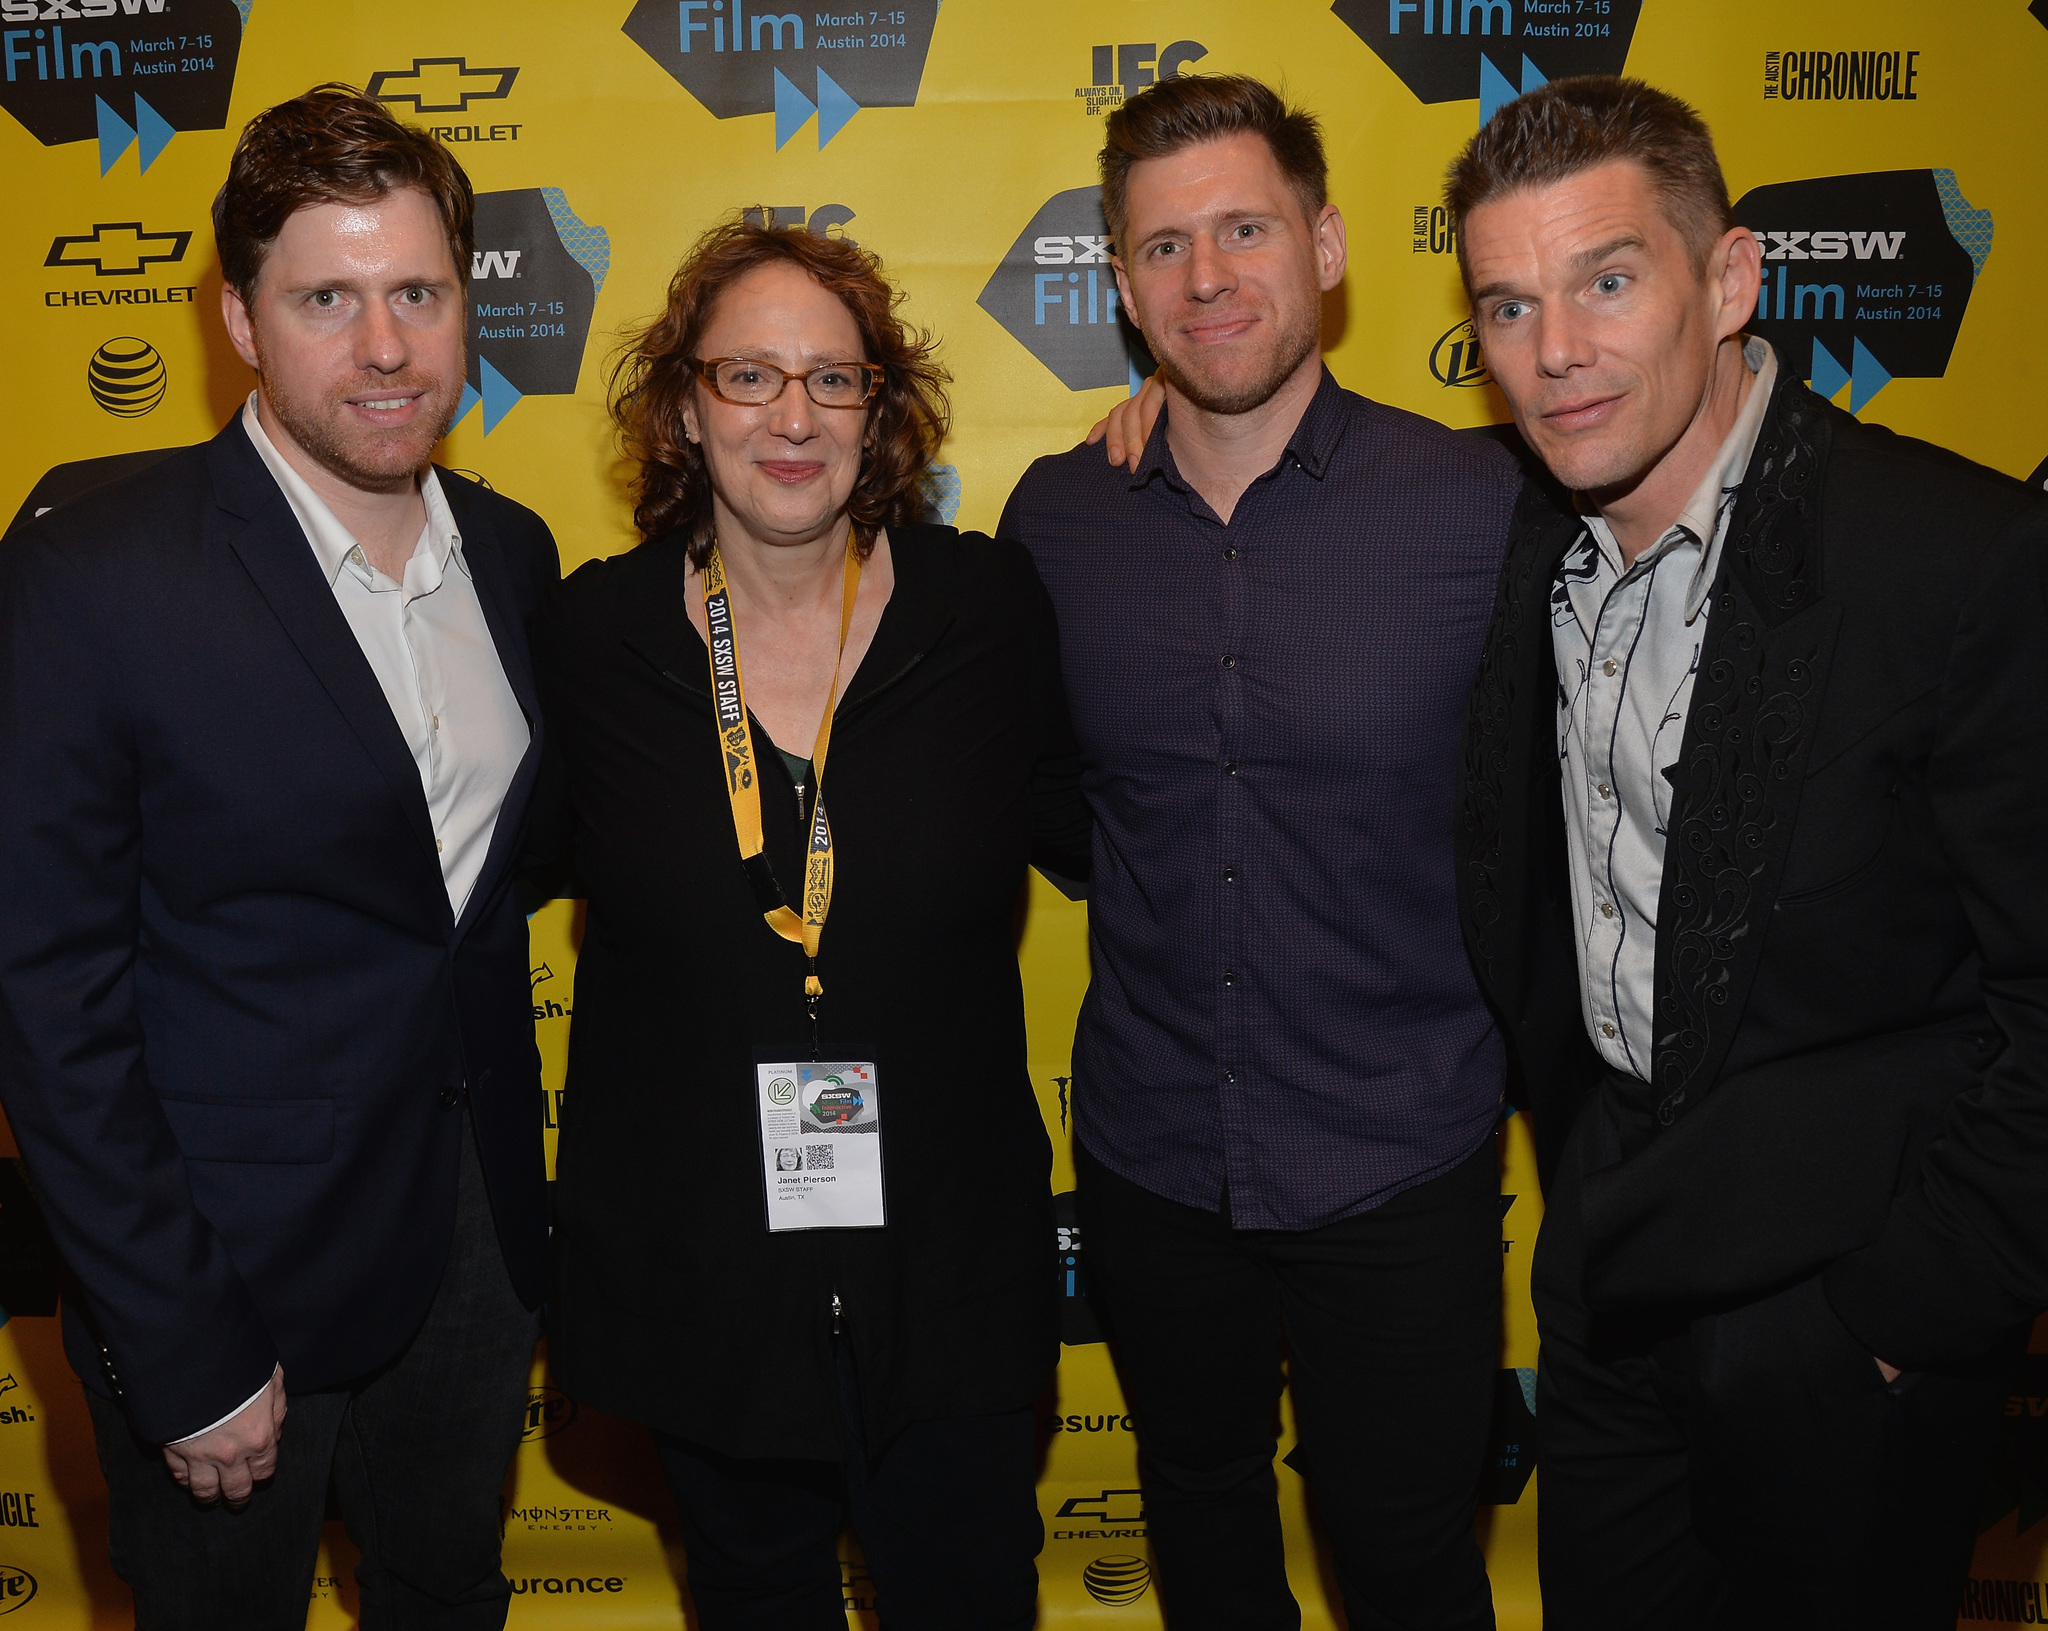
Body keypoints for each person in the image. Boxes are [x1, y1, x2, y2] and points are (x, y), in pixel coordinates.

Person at [1444, 76, 2048, 1630]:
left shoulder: (1953, 557)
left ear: (1730, 280)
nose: (1555, 351)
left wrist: (1910, 1315)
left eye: (1608, 279)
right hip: (1608, 1283)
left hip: (1842, 1315)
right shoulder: (1523, 531)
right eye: (1506, 305)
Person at [0, 86, 558, 1628]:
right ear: (240, 317)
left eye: (418, 294)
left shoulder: (511, 554)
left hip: (473, 1243)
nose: (385, 348)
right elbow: (46, 1000)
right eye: (327, 298)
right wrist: (175, 1343)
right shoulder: (88, 577)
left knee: (448, 1598)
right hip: (225, 1278)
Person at [1002, 74, 1521, 1631]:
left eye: (1244, 229)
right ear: (1120, 282)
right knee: (1205, 1533)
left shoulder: (1483, 505)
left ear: (1331, 246)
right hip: (1155, 1151)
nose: (1207, 276)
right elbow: (1053, 807)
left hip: (1400, 1155)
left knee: (1412, 1560)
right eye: (1164, 247)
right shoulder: (1056, 518)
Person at [529, 217, 1091, 1631]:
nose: (793, 417)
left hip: (949, 1284)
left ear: (880, 413)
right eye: (748, 377)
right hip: (706, 1287)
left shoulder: (991, 613)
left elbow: (1109, 826)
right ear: (679, 407)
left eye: (833, 381)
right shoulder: (592, 644)